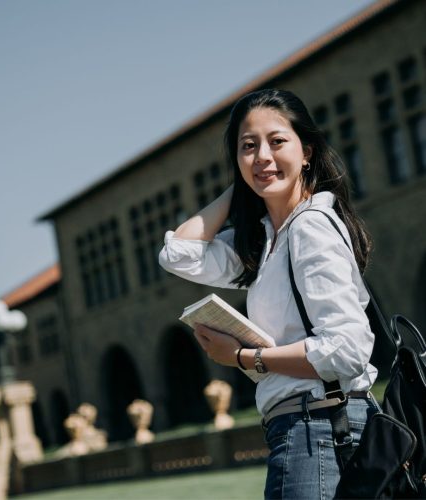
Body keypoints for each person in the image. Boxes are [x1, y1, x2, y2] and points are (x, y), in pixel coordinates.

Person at [158, 89, 380, 499]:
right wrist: (245, 185)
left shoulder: (310, 227)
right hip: (300, 430)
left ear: (307, 151)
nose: (262, 155)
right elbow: (178, 255)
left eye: (277, 142)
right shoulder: (265, 242)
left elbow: (347, 351)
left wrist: (243, 358)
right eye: (248, 146)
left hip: (320, 428)